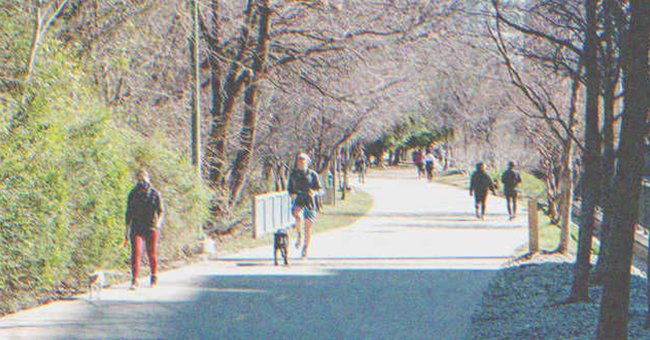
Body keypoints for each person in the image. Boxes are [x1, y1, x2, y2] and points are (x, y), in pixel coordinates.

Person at [124, 169, 164, 290]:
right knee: (136, 253)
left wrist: (158, 223)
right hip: (137, 227)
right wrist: (126, 232)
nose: (142, 182)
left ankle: (154, 276)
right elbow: (128, 214)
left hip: (151, 227)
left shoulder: (154, 193)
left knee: (151, 253)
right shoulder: (133, 194)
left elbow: (161, 211)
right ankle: (135, 280)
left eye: (144, 179)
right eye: (140, 179)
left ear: (148, 178)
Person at [287, 153, 322, 258]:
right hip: (299, 200)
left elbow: (319, 189)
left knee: (308, 228)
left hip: (310, 202)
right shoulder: (293, 175)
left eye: (303, 160)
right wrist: (292, 193)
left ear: (307, 162)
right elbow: (290, 189)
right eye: (299, 160)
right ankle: (299, 235)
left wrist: (314, 192)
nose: (301, 162)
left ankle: (305, 248)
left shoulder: (312, 174)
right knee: (298, 217)